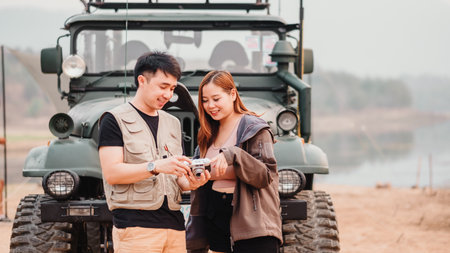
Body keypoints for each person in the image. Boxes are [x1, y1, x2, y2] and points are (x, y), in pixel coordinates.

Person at [98, 51, 210, 253]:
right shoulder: (114, 119)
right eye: (163, 87)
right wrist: (156, 166)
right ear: (142, 80)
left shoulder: (173, 123)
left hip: (175, 228)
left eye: (173, 88)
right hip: (135, 229)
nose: (168, 94)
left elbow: (178, 181)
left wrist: (193, 183)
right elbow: (112, 174)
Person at [186, 70, 282, 253]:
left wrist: (233, 154)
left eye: (216, 99)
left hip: (252, 222)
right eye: (205, 100)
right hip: (215, 216)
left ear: (232, 94)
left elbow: (266, 175)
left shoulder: (255, 128)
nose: (210, 106)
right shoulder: (207, 133)